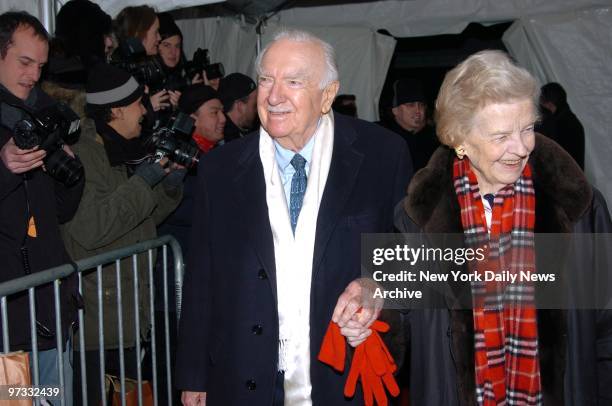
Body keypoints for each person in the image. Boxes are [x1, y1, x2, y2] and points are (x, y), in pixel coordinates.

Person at [175, 28, 412, 405]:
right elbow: (202, 277)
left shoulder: (383, 155)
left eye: (294, 81)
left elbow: (409, 253)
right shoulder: (220, 168)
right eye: (266, 79)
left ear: (328, 94)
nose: (274, 95)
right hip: (243, 375)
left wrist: (376, 284)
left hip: (343, 374)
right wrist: (194, 376)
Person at [395, 50, 612, 405]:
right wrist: (370, 303)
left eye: (527, 128)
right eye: (501, 136)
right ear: (460, 139)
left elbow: (607, 326)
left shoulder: (580, 208)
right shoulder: (416, 218)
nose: (522, 147)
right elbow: (398, 313)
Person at [61, 63, 184, 405]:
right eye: (138, 104)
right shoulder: (85, 153)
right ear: (115, 110)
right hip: (97, 326)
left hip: (126, 318)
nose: (144, 112)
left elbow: (138, 219)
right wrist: (144, 181)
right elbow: (92, 227)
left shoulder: (118, 149)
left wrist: (168, 186)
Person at [0, 11, 84, 404]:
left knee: (55, 399)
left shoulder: (40, 113)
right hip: (8, 326)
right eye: (24, 62)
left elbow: (62, 211)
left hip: (49, 313)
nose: (33, 75)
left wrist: (69, 167)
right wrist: (4, 167)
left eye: (40, 65)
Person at [386, 78, 439, 172]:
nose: (418, 111)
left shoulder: (435, 139)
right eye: (410, 105)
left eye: (421, 105)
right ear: (395, 110)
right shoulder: (385, 138)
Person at [538, 82, 585, 170]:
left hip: (563, 180)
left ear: (550, 105)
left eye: (541, 103)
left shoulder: (558, 124)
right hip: (572, 179)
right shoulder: (571, 120)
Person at [218, 72, 257, 143]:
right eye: (254, 105)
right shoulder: (227, 141)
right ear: (240, 106)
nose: (257, 110)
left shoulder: (244, 130)